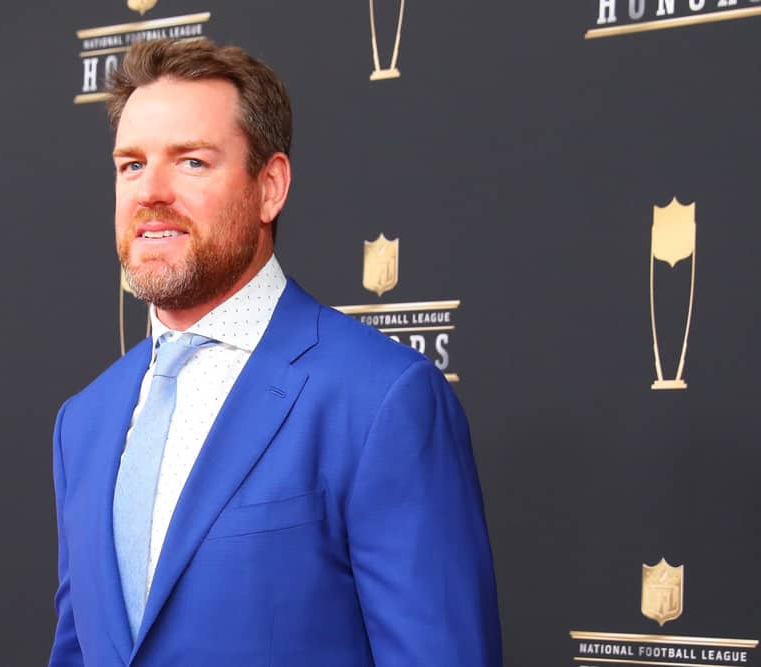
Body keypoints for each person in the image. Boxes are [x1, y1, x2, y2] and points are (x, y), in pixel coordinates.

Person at [49, 38, 502, 667]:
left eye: (192, 162)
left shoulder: (380, 400)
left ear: (270, 187)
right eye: (131, 164)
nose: (150, 191)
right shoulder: (84, 421)